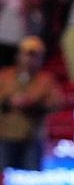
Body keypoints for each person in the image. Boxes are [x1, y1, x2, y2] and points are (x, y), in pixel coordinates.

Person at [0, 36, 61, 170]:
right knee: (3, 180)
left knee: (30, 182)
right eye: (27, 54)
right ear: (18, 55)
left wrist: (32, 104)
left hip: (33, 137)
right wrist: (9, 102)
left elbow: (55, 103)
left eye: (35, 56)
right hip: (5, 136)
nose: (30, 60)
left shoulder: (46, 80)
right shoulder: (4, 76)